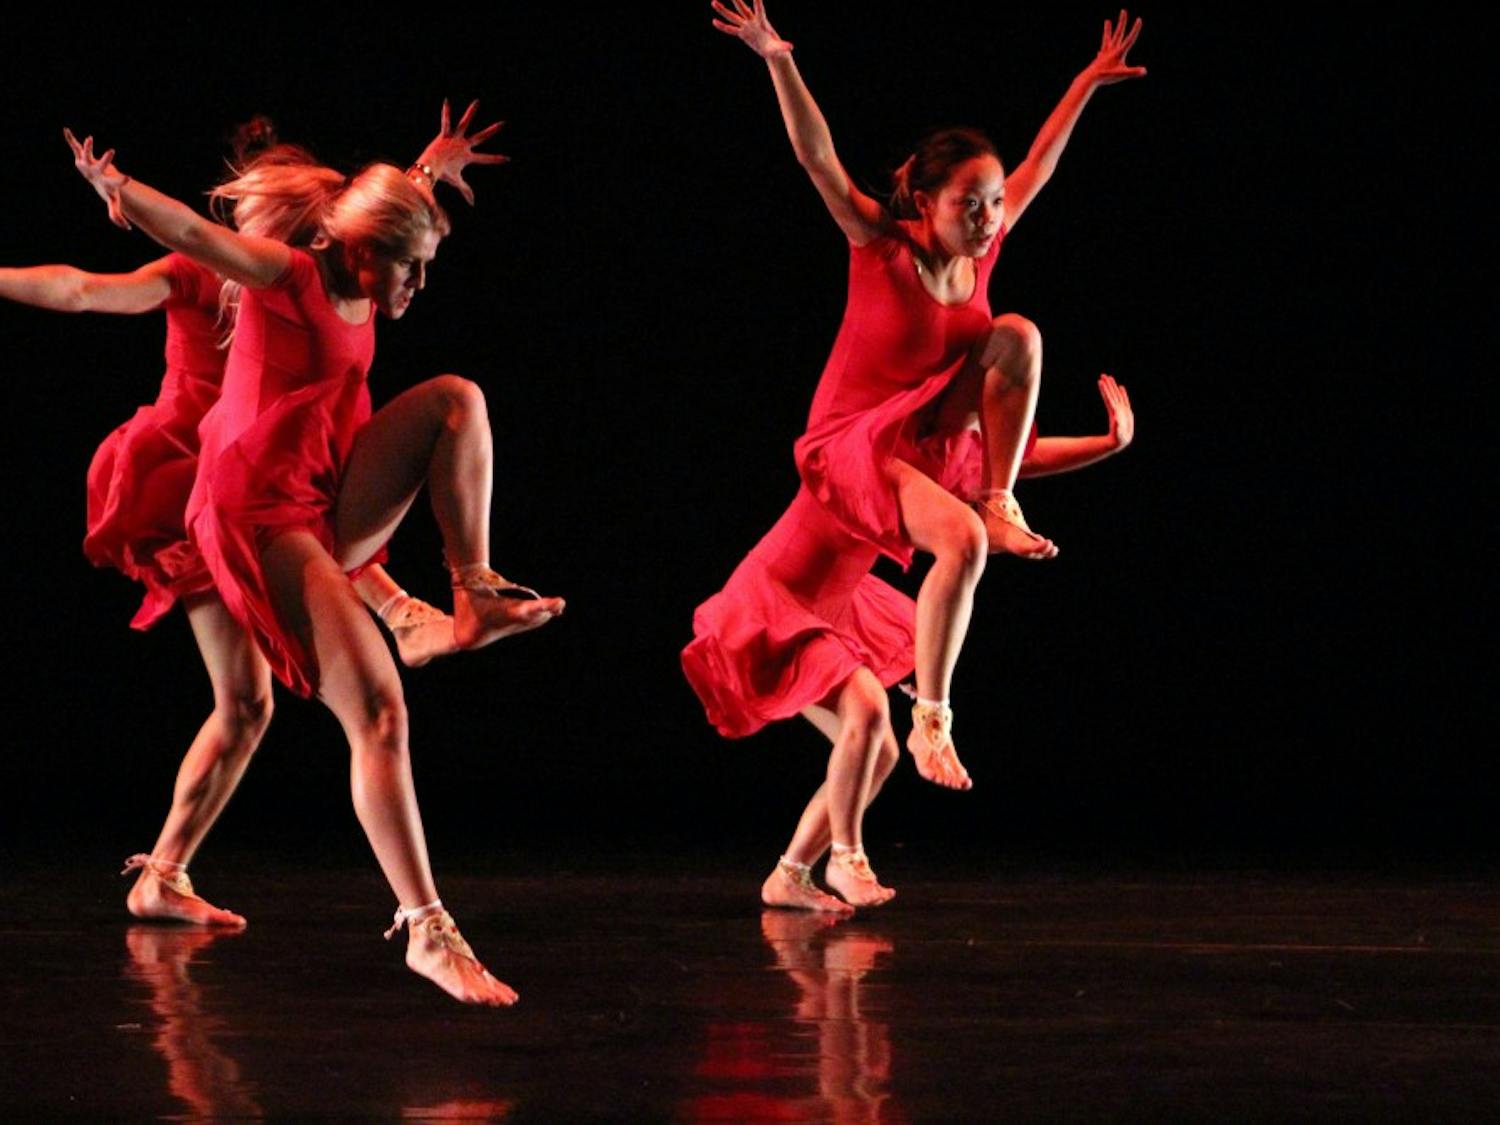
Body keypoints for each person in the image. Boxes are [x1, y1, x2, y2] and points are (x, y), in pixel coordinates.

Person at [65, 104, 562, 1005]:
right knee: (375, 708)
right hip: (257, 509)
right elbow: (187, 231)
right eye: (408, 267)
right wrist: (118, 189)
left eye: (424, 265)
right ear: (359, 251)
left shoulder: (370, 250)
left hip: (325, 486)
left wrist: (430, 167)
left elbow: (387, 206)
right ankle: (427, 928)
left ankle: (471, 591)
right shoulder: (284, 274)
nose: (417, 286)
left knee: (458, 398)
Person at [684, 2, 1143, 909]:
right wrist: (778, 59)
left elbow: (1039, 165)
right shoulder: (880, 247)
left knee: (1018, 340)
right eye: (968, 204)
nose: (986, 217)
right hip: (846, 450)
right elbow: (818, 159)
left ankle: (791, 873)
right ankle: (918, 740)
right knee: (953, 562)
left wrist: (1084, 85)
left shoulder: (986, 260)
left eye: (994, 204)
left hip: (891, 486)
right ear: (924, 203)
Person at [2, 118, 471, 931]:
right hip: (202, 494)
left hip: (276, 490)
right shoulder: (208, 275)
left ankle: (162, 876)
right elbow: (82, 288)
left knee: (249, 702)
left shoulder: (311, 283)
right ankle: (402, 613)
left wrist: (426, 171)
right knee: (252, 693)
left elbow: (383, 227)